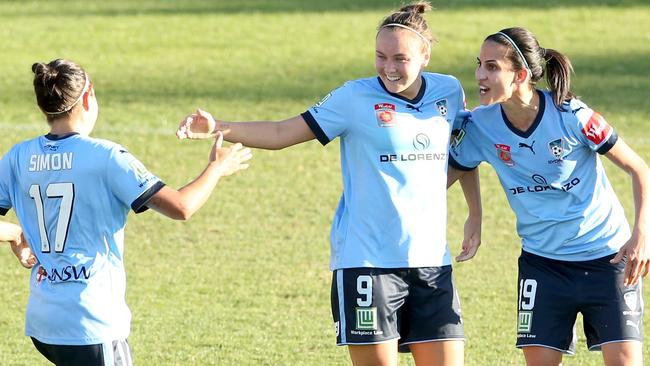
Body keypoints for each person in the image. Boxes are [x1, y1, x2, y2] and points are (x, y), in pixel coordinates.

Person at [176, 2, 481, 365]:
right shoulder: (353, 98)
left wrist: (475, 213)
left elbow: (464, 152)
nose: (388, 68)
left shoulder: (448, 91)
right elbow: (281, 131)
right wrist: (217, 127)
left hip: (432, 261)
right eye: (380, 56)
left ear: (425, 55)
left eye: (399, 58)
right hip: (367, 263)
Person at [0, 59, 252, 366]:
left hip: (44, 322)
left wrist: (14, 233)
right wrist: (216, 168)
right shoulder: (106, 157)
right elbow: (181, 207)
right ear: (89, 95)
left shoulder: (17, 157)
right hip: (90, 323)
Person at [448, 27, 648, 366]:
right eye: (479, 64)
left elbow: (640, 169)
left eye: (492, 66)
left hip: (608, 261)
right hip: (542, 266)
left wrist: (642, 235)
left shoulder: (573, 116)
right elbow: (457, 167)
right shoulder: (481, 125)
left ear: (521, 74)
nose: (480, 74)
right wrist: (475, 216)